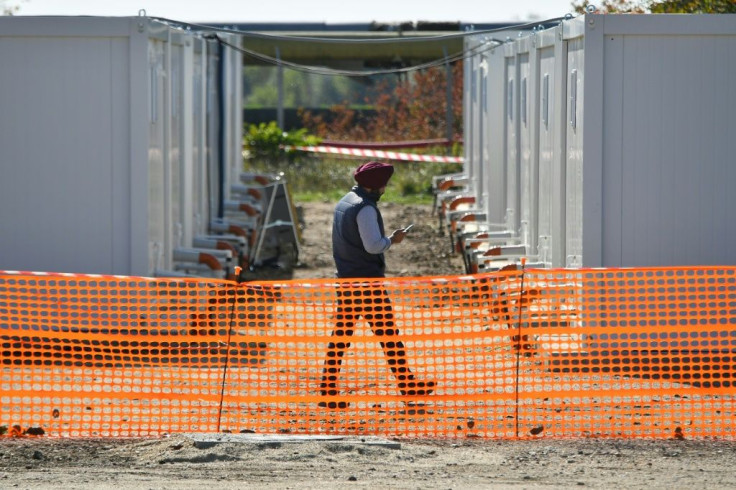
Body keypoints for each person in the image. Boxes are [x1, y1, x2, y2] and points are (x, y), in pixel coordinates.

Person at [319, 161, 435, 409]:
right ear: (377, 186)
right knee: (388, 335)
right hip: (367, 282)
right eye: (384, 184)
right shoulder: (365, 209)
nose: (385, 188)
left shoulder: (345, 201)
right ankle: (408, 387)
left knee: (341, 336)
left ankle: (328, 390)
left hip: (348, 279)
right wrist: (392, 240)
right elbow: (373, 246)